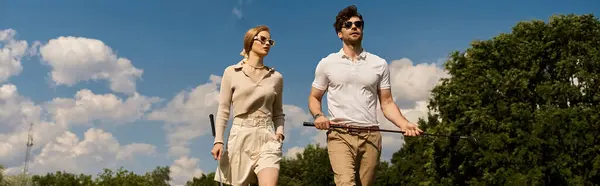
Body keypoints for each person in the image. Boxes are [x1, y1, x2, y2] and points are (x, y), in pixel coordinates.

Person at [308, 5, 423, 186]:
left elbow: (387, 103)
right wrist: (319, 115)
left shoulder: (379, 64)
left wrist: (404, 124)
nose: (354, 27)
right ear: (339, 33)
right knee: (346, 182)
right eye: (348, 24)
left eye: (358, 24)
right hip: (340, 134)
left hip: (371, 136)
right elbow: (314, 97)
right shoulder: (327, 63)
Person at [211, 25, 285, 186]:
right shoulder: (231, 72)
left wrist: (279, 132)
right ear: (250, 42)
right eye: (263, 39)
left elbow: (278, 113)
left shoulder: (276, 77)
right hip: (240, 136)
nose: (267, 44)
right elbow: (223, 110)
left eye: (270, 41)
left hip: (268, 137)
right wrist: (218, 140)